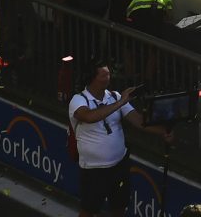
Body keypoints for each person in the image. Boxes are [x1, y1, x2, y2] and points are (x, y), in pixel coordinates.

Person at [69, 63, 169, 217]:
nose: (108, 78)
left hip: (119, 166)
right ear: (92, 78)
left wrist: (164, 131)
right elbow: (89, 117)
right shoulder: (79, 100)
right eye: (104, 75)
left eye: (109, 74)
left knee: (119, 208)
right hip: (93, 170)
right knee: (88, 211)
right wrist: (121, 102)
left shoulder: (114, 96)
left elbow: (138, 121)